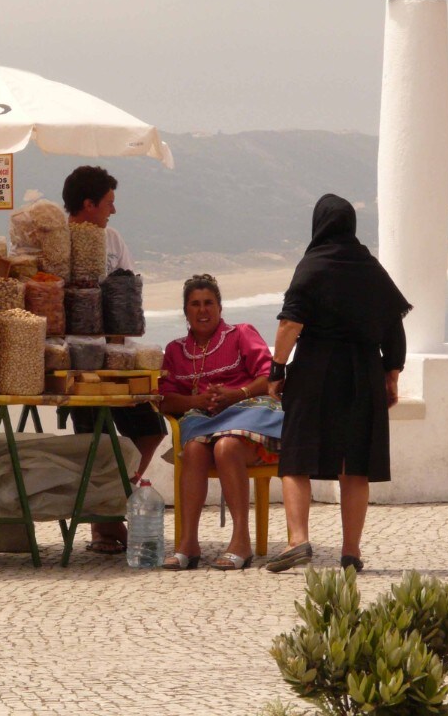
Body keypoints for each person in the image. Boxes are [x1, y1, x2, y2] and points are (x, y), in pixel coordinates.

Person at [266, 194, 411, 574]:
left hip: (315, 368)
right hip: (363, 370)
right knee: (355, 462)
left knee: (296, 456)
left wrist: (278, 368)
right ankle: (351, 552)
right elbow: (393, 323)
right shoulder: (370, 267)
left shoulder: (313, 264)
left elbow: (290, 324)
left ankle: (298, 541)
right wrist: (391, 374)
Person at [61, 165, 168, 555]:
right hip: (74, 360)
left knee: (151, 427)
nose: (113, 211)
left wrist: (118, 353)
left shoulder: (113, 239)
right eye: (108, 202)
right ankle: (102, 524)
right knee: (94, 440)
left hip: (111, 357)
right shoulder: (58, 239)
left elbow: (124, 296)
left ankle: (117, 500)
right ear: (88, 204)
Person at [157, 274, 283, 571]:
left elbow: (271, 377)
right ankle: (188, 543)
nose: (203, 310)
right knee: (194, 450)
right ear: (185, 311)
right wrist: (196, 402)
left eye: (209, 303)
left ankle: (241, 541)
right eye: (195, 304)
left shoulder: (241, 334)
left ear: (220, 307)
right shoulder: (175, 351)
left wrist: (235, 394)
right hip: (202, 423)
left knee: (225, 447)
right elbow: (165, 399)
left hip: (247, 419)